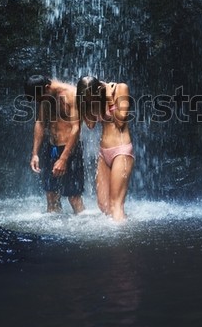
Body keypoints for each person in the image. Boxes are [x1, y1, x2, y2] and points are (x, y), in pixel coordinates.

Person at [24, 75, 85, 214]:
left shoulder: (72, 94)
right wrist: (35, 154)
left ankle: (83, 232)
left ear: (46, 88)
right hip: (51, 148)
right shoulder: (45, 95)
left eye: (39, 99)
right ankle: (55, 235)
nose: (39, 102)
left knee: (74, 197)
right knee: (51, 196)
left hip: (70, 150)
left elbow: (76, 128)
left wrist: (63, 159)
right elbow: (40, 122)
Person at [76, 76, 134, 221]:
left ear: (99, 90)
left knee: (116, 204)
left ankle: (121, 239)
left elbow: (121, 122)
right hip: (104, 153)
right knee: (103, 205)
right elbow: (90, 124)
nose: (90, 100)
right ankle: (119, 227)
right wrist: (85, 104)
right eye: (87, 99)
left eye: (91, 97)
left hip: (121, 151)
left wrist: (109, 98)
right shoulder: (93, 100)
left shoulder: (120, 88)